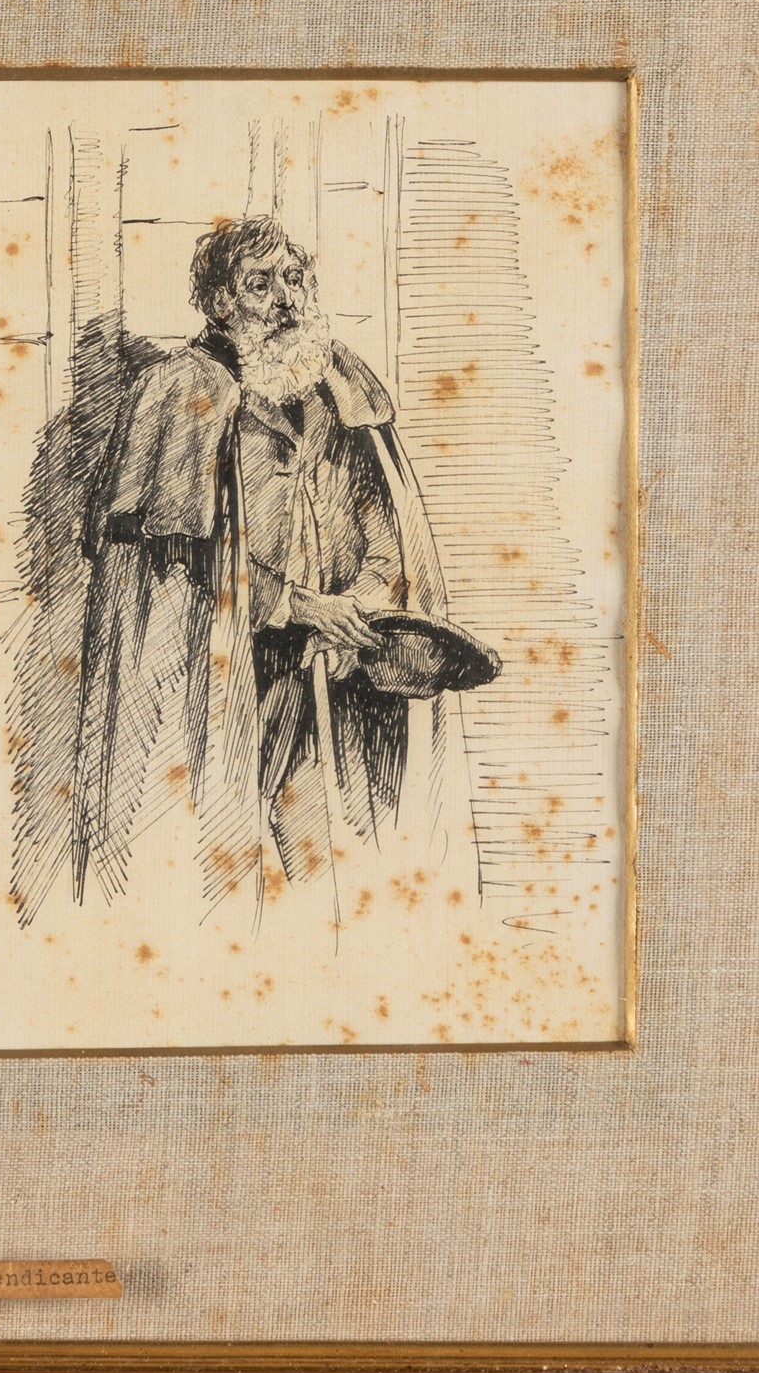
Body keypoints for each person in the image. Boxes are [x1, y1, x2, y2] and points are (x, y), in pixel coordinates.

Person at [66, 214, 481, 927]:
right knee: (212, 870)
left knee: (333, 872)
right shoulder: (179, 390)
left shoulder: (337, 381)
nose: (286, 300)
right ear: (219, 303)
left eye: (294, 279)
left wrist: (359, 612)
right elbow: (177, 555)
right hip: (218, 667)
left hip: (334, 673)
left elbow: (387, 527)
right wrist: (297, 606)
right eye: (260, 285)